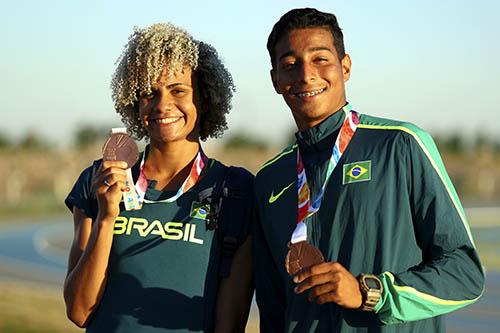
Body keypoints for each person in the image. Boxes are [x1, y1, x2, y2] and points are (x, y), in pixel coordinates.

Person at [253, 7, 484, 332]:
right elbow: (273, 307)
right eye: (290, 65)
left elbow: (465, 273)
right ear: (276, 79)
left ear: (345, 67)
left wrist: (370, 292)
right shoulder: (269, 180)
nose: (306, 75)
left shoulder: (401, 145)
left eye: (320, 59)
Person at [64, 23, 253, 333]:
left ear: (203, 98)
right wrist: (106, 219)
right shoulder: (100, 179)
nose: (162, 105)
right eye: (149, 93)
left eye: (178, 90)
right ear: (135, 104)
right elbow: (79, 311)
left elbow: (230, 324)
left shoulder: (236, 190)